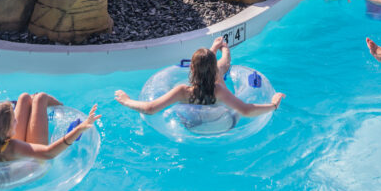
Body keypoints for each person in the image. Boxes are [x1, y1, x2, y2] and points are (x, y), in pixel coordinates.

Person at [114, 38, 284, 117]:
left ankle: (209, 56)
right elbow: (246, 110)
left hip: (190, 128)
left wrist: (126, 100)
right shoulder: (219, 91)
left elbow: (150, 108)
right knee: (221, 69)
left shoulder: (182, 91)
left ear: (191, 68)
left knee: (214, 68)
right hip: (221, 127)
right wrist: (273, 104)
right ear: (213, 68)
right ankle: (216, 51)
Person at [0, 86, 100, 163]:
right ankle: (61, 110)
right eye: (13, 120)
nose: (16, 119)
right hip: (32, 166)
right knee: (41, 97)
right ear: (7, 132)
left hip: (4, 159)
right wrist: (80, 128)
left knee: (23, 98)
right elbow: (49, 153)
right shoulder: (12, 146)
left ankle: (40, 103)